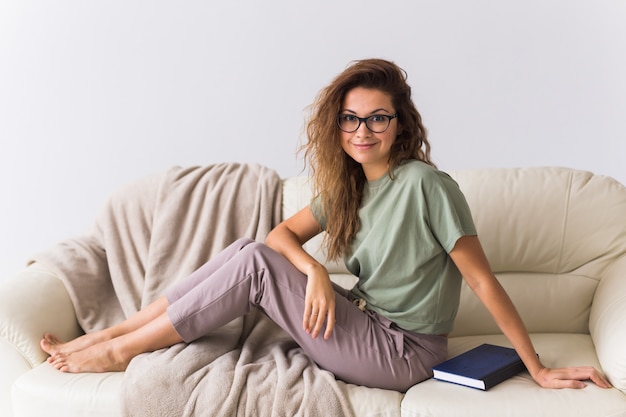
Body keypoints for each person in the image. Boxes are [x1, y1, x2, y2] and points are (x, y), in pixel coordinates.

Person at [41, 58, 611, 392]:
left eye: (377, 118)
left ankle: (120, 352)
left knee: (256, 265)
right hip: (361, 324)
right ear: (339, 127)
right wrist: (314, 270)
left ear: (400, 124)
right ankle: (115, 334)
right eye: (351, 119)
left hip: (403, 351)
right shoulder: (350, 188)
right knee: (250, 248)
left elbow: (484, 282)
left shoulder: (427, 186)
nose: (363, 130)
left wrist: (535, 368)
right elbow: (278, 236)